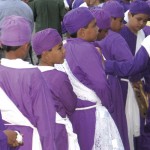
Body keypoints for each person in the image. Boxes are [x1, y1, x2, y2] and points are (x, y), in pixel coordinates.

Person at [60, 7, 124, 150]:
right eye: (94, 25)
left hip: (75, 114)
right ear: (82, 31)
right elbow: (101, 84)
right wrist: (109, 106)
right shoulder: (87, 49)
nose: (97, 29)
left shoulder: (64, 46)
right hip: (93, 116)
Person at [0, 15, 56, 150]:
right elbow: (45, 119)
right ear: (26, 46)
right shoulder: (33, 74)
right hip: (29, 141)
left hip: (4, 139)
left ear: (1, 43)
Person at [32, 28, 80, 150]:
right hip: (58, 132)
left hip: (39, 133)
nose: (64, 51)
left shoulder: (31, 74)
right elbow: (71, 105)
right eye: (59, 48)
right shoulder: (59, 77)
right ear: (45, 55)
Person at [91, 4, 131, 150]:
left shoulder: (80, 44)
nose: (121, 25)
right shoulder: (115, 38)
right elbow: (128, 66)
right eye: (120, 21)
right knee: (116, 128)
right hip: (115, 88)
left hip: (91, 99)